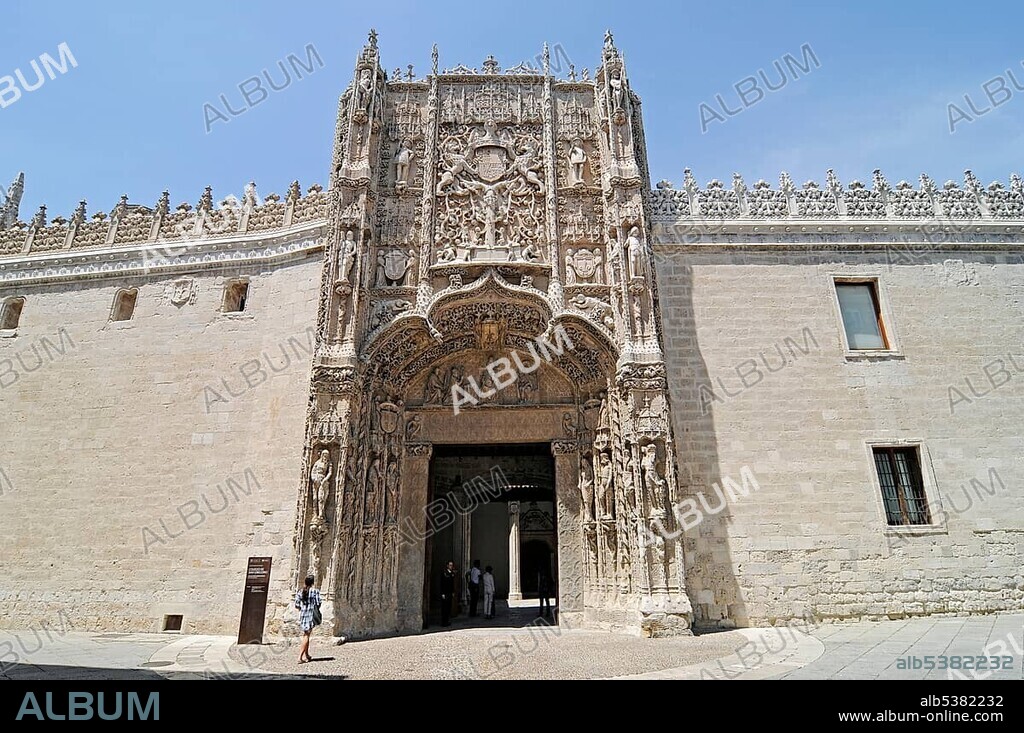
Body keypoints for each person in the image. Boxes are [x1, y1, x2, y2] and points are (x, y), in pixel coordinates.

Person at [294, 575, 322, 663]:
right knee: (306, 635)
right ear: (313, 583)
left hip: (303, 615)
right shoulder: (315, 591)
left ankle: (307, 655)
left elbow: (297, 604)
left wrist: (303, 609)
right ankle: (300, 657)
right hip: (311, 616)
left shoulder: (300, 591)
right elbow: (318, 603)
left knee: (307, 634)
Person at [440, 561, 456, 626]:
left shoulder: (452, 574)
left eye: (452, 565)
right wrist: (442, 593)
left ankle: (447, 621)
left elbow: (452, 584)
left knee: (448, 607)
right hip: (445, 593)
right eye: (450, 565)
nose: (451, 567)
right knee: (444, 608)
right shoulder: (444, 573)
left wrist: (453, 592)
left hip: (449, 593)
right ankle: (443, 622)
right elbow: (442, 584)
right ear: (447, 566)